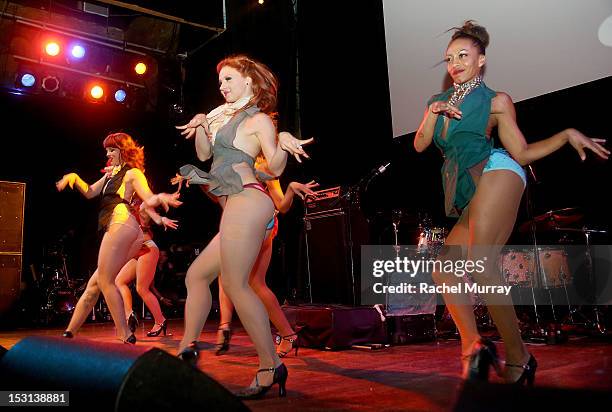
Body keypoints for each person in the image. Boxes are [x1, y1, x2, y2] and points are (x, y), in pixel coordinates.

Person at [413, 21, 609, 385]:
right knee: (445, 268)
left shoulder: (495, 101)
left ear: (481, 60)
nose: (455, 63)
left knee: (480, 261)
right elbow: (421, 145)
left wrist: (566, 135)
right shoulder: (435, 103)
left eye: (463, 56)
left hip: (499, 169)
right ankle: (474, 347)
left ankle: (520, 357)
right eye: (449, 58)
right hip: (470, 186)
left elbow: (521, 152)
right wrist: (433, 112)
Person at [174, 55, 313, 399]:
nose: (222, 86)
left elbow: (277, 169)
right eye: (220, 81)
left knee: (237, 284)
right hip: (236, 206)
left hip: (250, 200)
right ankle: (187, 351)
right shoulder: (221, 117)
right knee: (196, 276)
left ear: (249, 82)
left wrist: (281, 138)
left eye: (229, 79)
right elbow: (206, 155)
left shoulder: (260, 119)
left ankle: (270, 365)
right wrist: (203, 125)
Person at [56, 132, 181, 343]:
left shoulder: (132, 173)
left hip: (122, 221)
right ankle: (69, 332)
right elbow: (89, 192)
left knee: (106, 281)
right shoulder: (110, 175)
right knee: (94, 285)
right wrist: (74, 177)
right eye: (107, 150)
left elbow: (148, 197)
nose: (108, 153)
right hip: (127, 229)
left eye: (112, 149)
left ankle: (124, 333)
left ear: (123, 151)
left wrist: (159, 198)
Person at [215, 162, 318, 357]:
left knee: (230, 274)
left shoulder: (263, 166)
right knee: (255, 283)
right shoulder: (236, 163)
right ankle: (287, 334)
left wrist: (290, 189)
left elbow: (282, 205)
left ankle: (225, 325)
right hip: (252, 224)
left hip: (257, 225)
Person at [115, 201, 177, 337]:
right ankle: (129, 314)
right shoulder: (127, 206)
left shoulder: (142, 204)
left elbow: (151, 211)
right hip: (137, 252)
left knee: (141, 289)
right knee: (120, 281)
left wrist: (161, 219)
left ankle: (160, 320)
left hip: (147, 248)